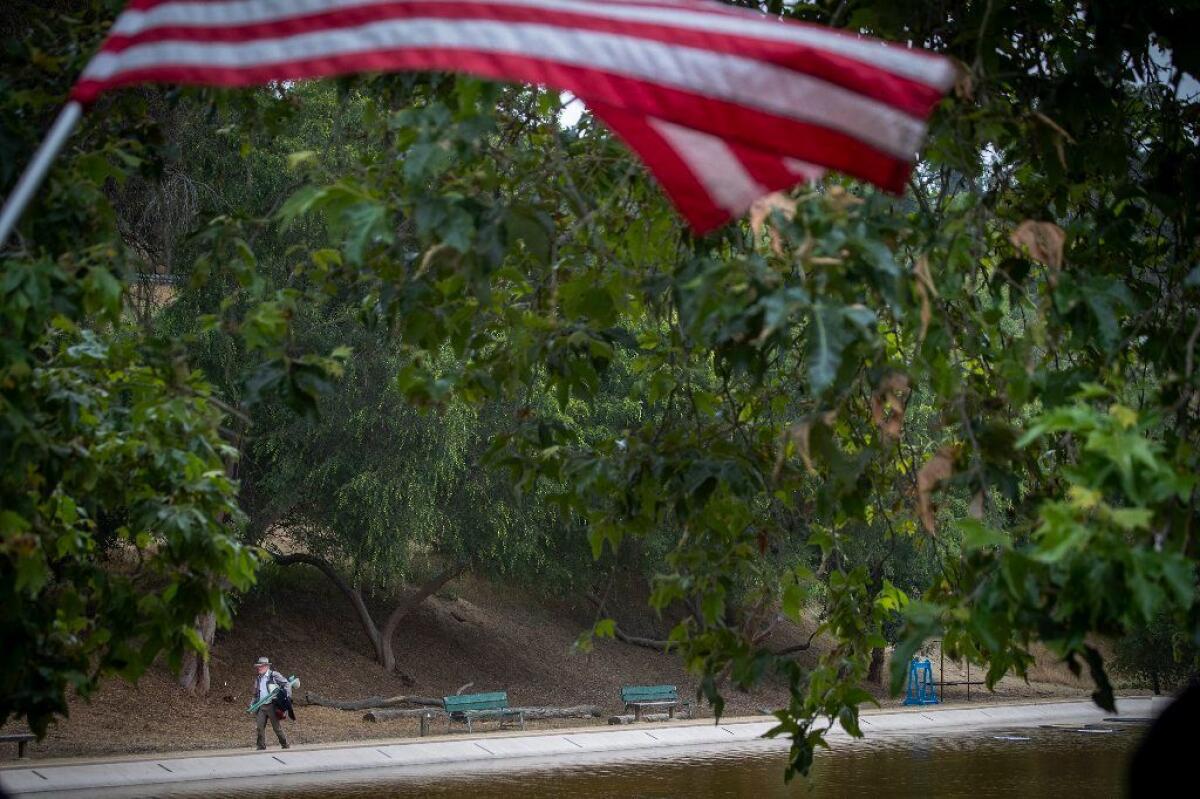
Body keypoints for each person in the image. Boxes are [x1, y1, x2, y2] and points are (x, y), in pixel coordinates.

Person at [251, 656, 291, 750]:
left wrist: (286, 697)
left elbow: (287, 684)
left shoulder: (274, 675)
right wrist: (252, 703)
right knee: (259, 727)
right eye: (258, 666)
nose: (259, 668)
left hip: (272, 706)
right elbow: (255, 693)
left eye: (261, 666)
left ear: (266, 667)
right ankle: (261, 746)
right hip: (261, 706)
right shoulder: (258, 679)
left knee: (277, 728)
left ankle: (285, 744)